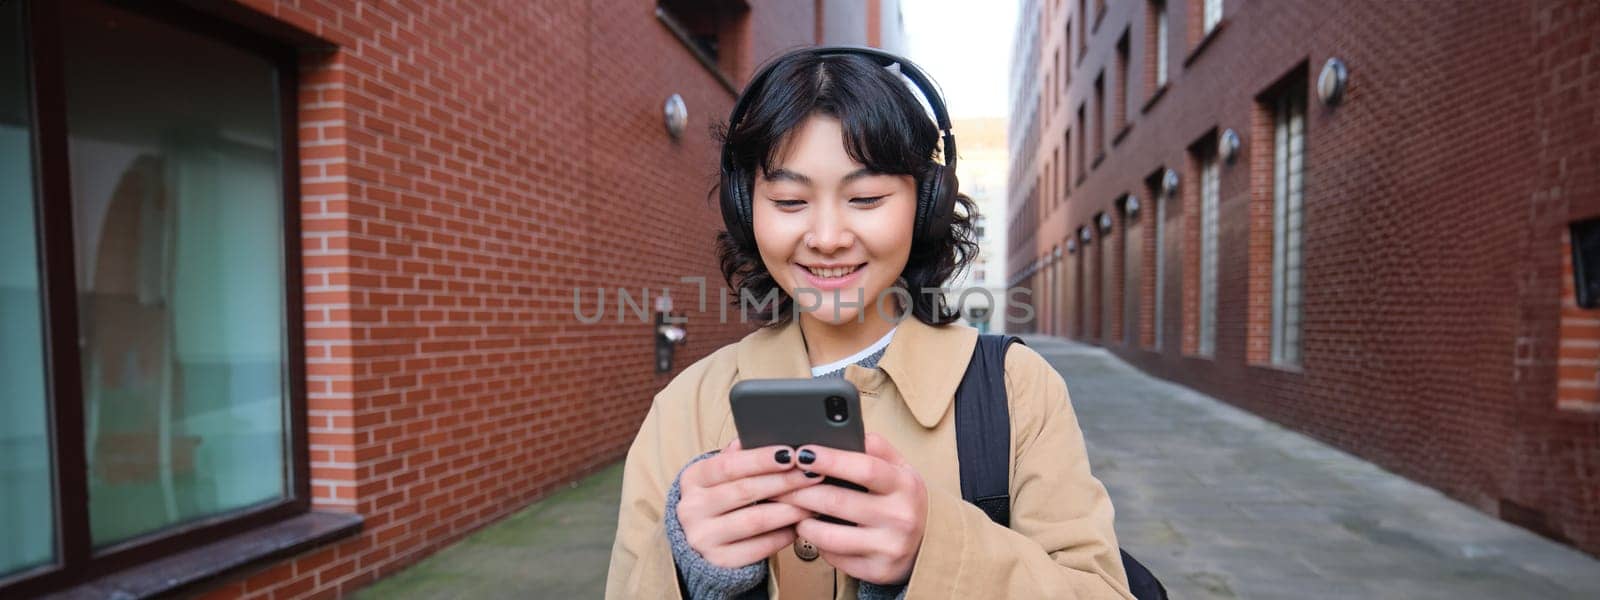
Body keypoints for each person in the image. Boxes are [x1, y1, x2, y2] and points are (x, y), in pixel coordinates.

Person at [605, 46, 1133, 599]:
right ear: (746, 209)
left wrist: (934, 551)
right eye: (789, 201)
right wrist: (693, 575)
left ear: (925, 203)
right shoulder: (685, 406)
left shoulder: (1016, 389)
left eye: (866, 197)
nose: (828, 236)